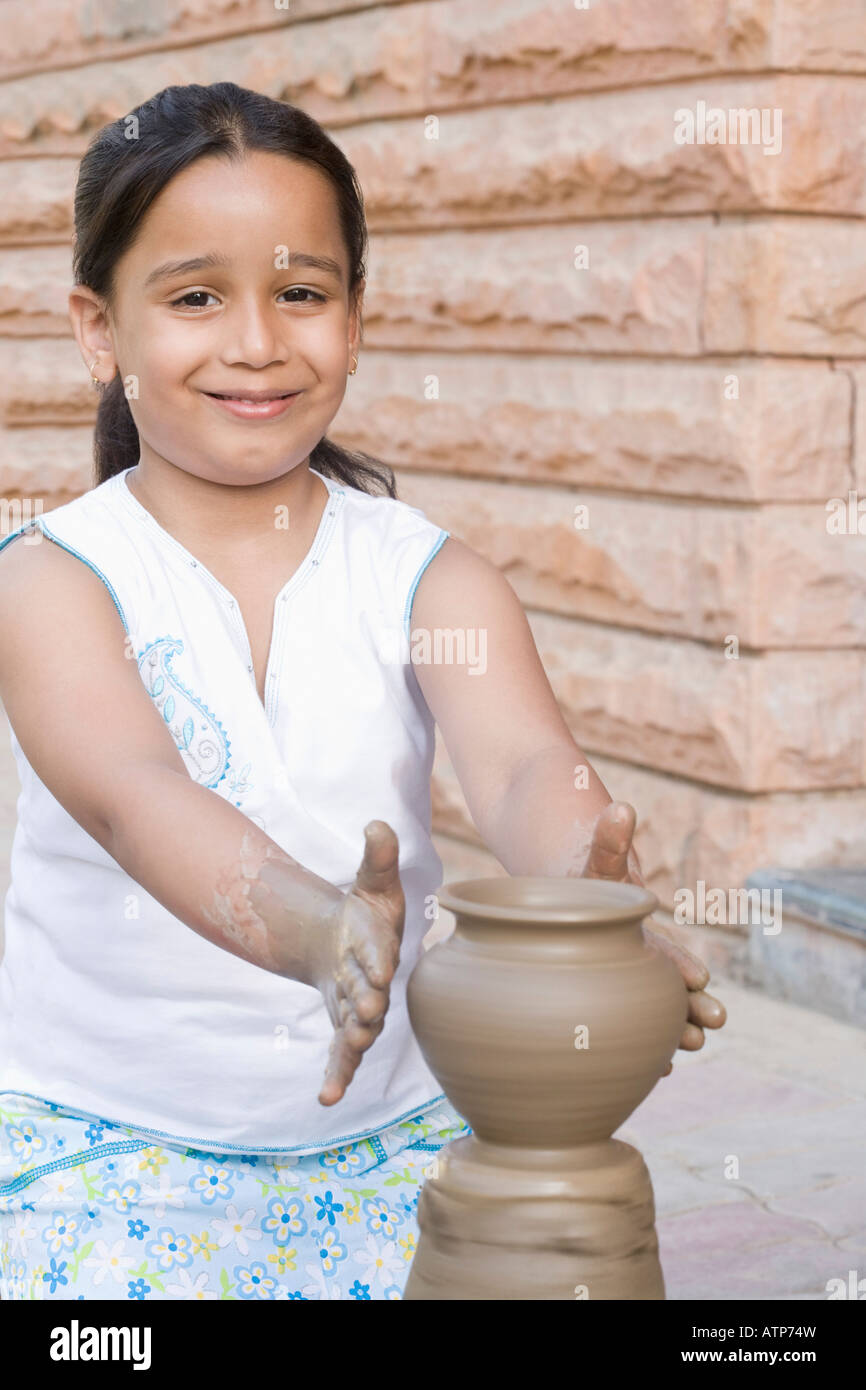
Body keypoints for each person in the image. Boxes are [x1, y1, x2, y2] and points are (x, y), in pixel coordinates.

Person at [0, 82, 724, 1302]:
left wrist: (593, 889)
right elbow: (132, 794)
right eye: (193, 298)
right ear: (98, 330)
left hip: (393, 1140)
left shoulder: (421, 572)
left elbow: (523, 768)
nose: (256, 342)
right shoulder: (54, 576)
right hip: (103, 1145)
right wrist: (318, 930)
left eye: (301, 292)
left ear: (353, 318)